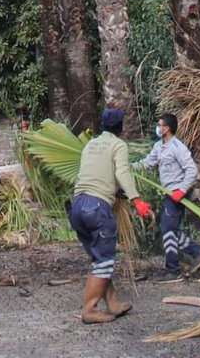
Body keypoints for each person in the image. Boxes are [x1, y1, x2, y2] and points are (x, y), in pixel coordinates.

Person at [68, 106, 154, 325]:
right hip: (97, 208)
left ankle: (113, 303)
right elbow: (122, 172)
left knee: (99, 259)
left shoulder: (91, 145)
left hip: (78, 207)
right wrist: (136, 200)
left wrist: (117, 192)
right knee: (105, 260)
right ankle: (89, 310)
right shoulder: (118, 145)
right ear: (120, 126)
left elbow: (95, 174)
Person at [134, 112, 200, 280]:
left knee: (167, 230)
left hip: (177, 194)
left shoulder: (177, 147)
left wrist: (182, 190)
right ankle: (197, 253)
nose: (158, 128)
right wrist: (128, 167)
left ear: (167, 128)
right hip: (168, 193)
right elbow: (147, 164)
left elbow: (191, 169)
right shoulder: (158, 147)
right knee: (169, 230)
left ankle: (174, 269)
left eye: (161, 125)